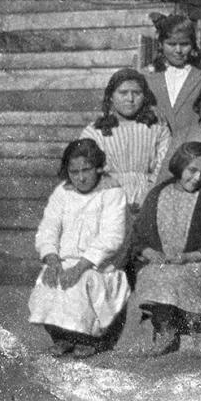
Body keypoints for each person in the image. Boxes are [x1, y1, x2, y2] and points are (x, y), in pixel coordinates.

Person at [28, 139, 129, 359]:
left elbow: (111, 236)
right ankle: (62, 337)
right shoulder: (62, 192)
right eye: (74, 172)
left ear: (98, 168)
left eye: (86, 170)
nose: (81, 178)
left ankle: (89, 339)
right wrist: (53, 260)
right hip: (64, 260)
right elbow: (48, 227)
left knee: (81, 284)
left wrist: (81, 266)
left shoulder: (112, 192)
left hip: (99, 265)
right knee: (48, 284)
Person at [132, 141, 201, 357]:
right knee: (154, 275)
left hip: (197, 261)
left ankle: (198, 329)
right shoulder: (158, 193)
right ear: (179, 166)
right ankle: (166, 329)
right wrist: (148, 252)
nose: (197, 178)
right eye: (192, 170)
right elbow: (138, 235)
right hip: (163, 261)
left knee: (184, 276)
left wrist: (187, 257)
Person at [80, 67, 171, 211]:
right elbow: (86, 169)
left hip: (150, 201)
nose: (130, 99)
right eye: (123, 93)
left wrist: (148, 197)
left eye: (136, 93)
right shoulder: (95, 132)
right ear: (111, 96)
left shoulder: (157, 128)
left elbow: (164, 166)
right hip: (107, 202)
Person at [145, 13, 201, 136]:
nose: (178, 50)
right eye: (172, 44)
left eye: (184, 44)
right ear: (161, 44)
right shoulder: (149, 76)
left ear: (193, 44)